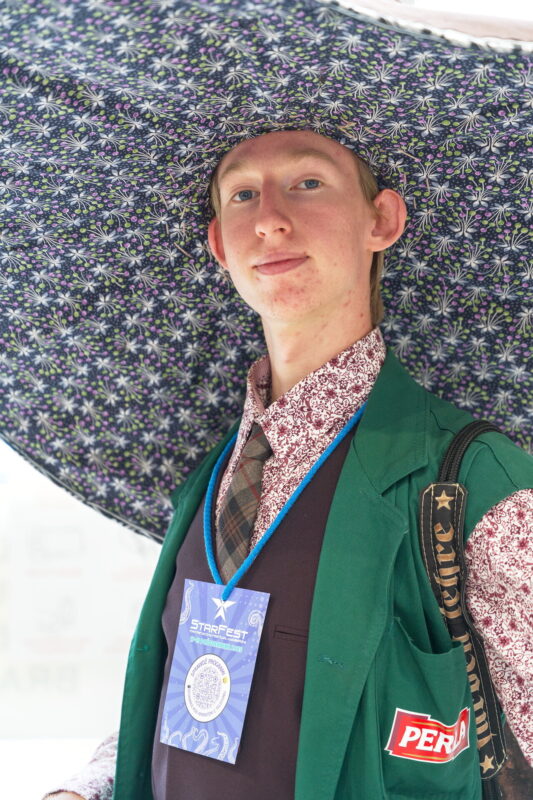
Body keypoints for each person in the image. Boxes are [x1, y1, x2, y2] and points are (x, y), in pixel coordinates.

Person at [44, 129, 532, 800]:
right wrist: (87, 788)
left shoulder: (477, 484)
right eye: (242, 195)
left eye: (307, 183)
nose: (270, 219)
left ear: (381, 221)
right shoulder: (210, 480)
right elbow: (188, 715)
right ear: (221, 245)